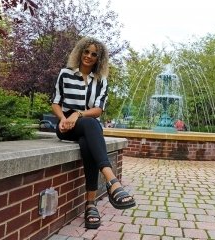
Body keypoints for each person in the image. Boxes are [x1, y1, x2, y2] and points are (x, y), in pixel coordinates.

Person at [51, 37, 135, 229]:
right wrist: (64, 119)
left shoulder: (101, 81)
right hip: (66, 128)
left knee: (88, 139)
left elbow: (98, 110)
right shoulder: (65, 74)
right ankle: (112, 181)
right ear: (80, 52)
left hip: (87, 126)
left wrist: (78, 114)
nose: (88, 56)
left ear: (99, 59)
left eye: (94, 54)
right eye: (86, 52)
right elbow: (55, 101)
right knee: (91, 126)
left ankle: (90, 204)